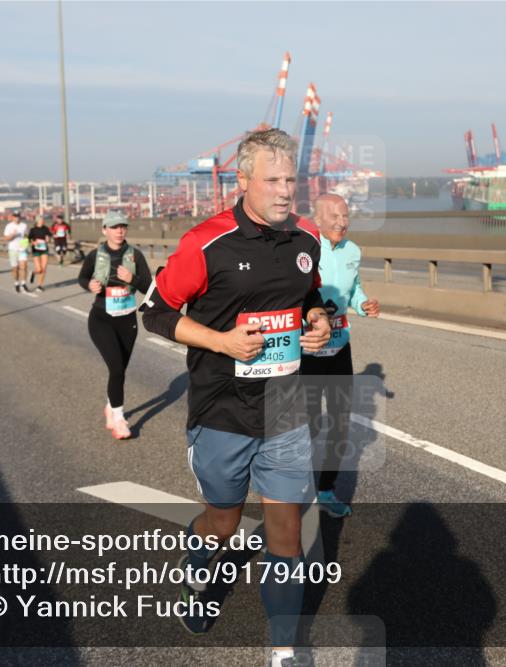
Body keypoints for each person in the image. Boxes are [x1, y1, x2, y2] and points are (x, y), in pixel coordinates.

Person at [142, 128, 331, 666]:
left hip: (286, 412)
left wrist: (316, 319)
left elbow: (309, 295)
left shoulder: (306, 239)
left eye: (290, 179)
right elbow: (154, 312)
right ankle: (197, 574)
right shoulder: (206, 242)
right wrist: (220, 341)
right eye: (272, 180)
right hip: (221, 411)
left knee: (287, 533)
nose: (283, 190)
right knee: (221, 525)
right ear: (243, 180)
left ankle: (284, 650)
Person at [300, 194, 380, 518]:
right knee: (307, 424)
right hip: (307, 349)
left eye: (345, 215)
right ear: (316, 219)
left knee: (340, 423)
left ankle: (326, 489)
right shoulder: (304, 251)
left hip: (339, 349)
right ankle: (296, 487)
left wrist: (362, 304)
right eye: (333, 216)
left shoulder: (353, 251)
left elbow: (355, 287)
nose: (341, 222)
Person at [77, 212, 152, 439]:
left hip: (127, 319)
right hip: (101, 318)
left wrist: (133, 280)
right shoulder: (95, 255)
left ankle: (111, 406)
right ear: (104, 230)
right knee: (116, 369)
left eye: (122, 227)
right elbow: (82, 278)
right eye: (114, 227)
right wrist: (89, 285)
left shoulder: (135, 255)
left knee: (120, 371)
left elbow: (149, 286)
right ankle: (119, 419)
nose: (119, 231)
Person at [3, 211, 29, 293]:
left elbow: (26, 236)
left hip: (22, 249)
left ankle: (23, 283)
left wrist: (26, 240)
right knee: (15, 268)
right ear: (13, 217)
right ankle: (16, 282)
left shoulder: (24, 225)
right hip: (13, 249)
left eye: (18, 216)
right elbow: (6, 238)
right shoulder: (9, 226)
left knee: (24, 266)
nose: (17, 218)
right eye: (15, 216)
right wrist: (13, 235)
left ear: (20, 217)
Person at [28, 215, 53, 292]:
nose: (43, 221)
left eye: (43, 220)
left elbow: (49, 237)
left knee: (44, 268)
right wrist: (34, 242)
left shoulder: (45, 229)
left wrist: (48, 239)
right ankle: (33, 273)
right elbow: (29, 239)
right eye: (41, 220)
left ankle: (40, 285)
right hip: (36, 250)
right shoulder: (33, 230)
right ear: (37, 221)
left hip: (44, 249)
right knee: (39, 269)